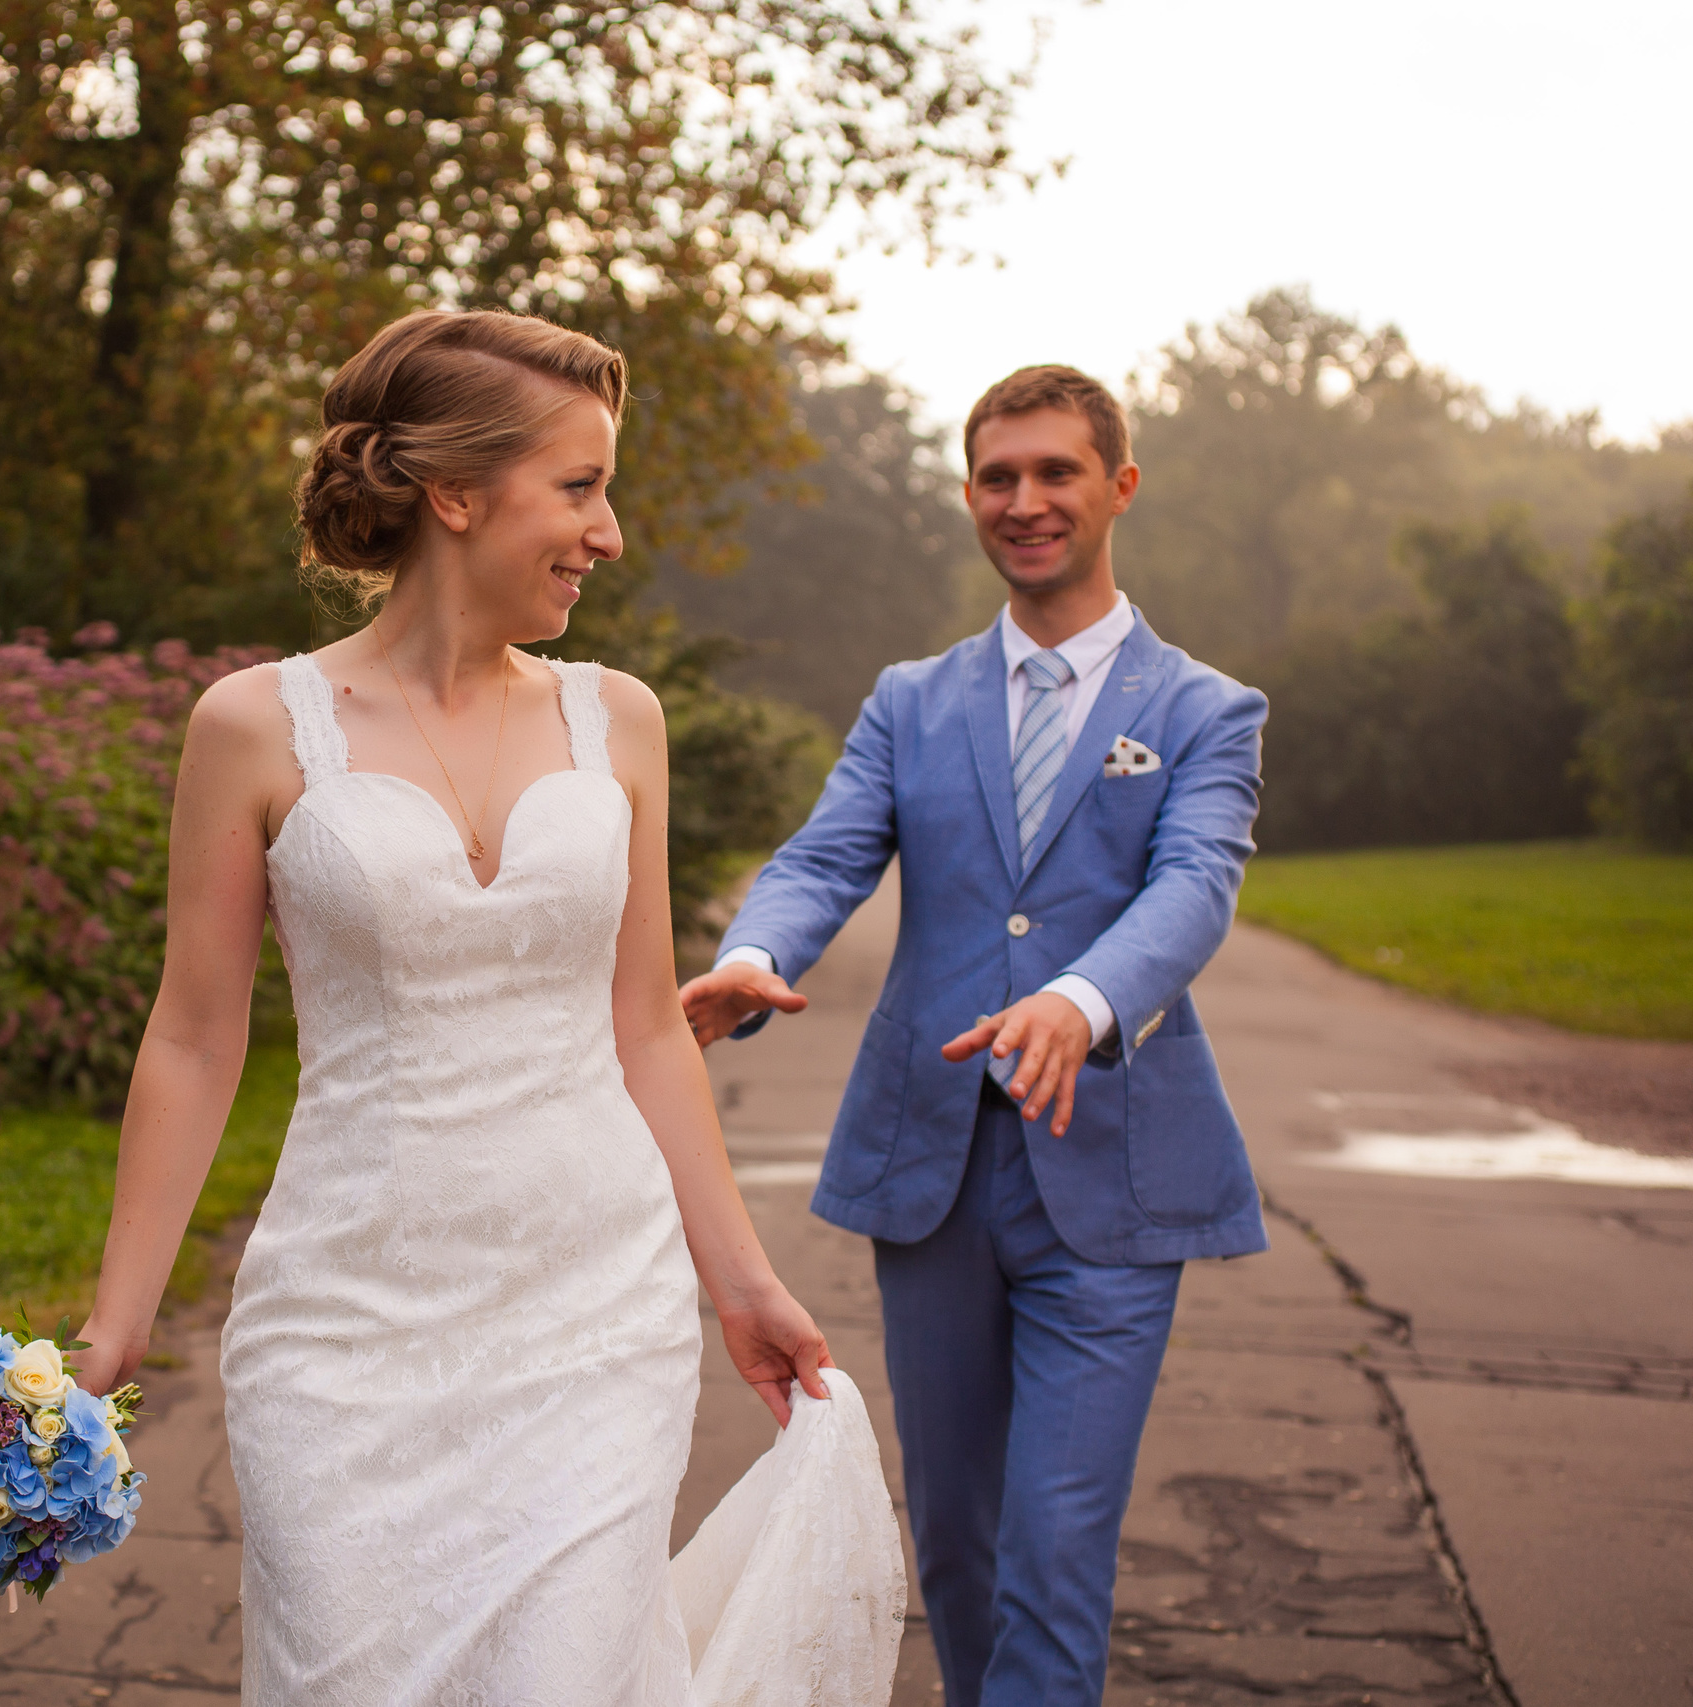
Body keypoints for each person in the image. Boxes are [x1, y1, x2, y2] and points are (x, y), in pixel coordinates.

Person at [71, 309, 902, 1705]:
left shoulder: (618, 720)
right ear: (455, 493)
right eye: (578, 488)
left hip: (594, 1316)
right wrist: (118, 1325)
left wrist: (742, 1282)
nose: (610, 532)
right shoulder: (251, 729)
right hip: (343, 1326)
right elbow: (198, 1035)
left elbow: (645, 1027)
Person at [681, 365, 1269, 1707]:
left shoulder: (1203, 712)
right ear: (969, 494)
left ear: (1118, 486)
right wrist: (755, 956)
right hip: (932, 1177)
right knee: (954, 1541)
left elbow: (1192, 891)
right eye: (998, 477)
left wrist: (1080, 1000)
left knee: (1054, 1549)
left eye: (1056, 472)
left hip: (1115, 1180)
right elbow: (827, 853)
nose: (1025, 502)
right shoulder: (911, 700)